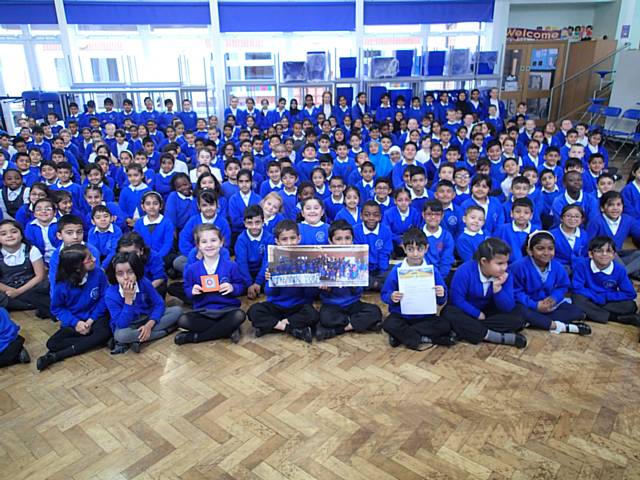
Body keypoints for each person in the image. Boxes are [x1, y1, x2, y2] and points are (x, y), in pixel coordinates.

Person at [442, 237, 528, 348]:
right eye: (499, 263)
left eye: (506, 263)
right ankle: (494, 336)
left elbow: (508, 307)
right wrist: (477, 314)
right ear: (483, 261)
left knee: (519, 315)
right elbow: (457, 300)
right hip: (466, 310)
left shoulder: (506, 274)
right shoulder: (465, 270)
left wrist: (498, 290)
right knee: (448, 312)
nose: (504, 267)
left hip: (488, 312)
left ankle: (464, 330)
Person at [37, 245, 111, 371]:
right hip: (75, 320)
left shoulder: (98, 273)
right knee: (52, 343)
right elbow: (57, 308)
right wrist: (76, 323)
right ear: (77, 267)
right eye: (89, 259)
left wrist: (91, 320)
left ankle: (56, 356)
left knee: (103, 332)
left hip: (96, 317)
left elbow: (105, 297)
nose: (94, 259)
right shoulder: (62, 285)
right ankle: (94, 340)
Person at [381, 227, 454, 350]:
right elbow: (384, 294)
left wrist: (441, 294)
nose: (415, 254)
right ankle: (425, 337)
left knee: (444, 325)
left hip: (425, 316)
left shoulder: (432, 270)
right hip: (402, 315)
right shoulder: (397, 270)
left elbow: (441, 301)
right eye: (410, 249)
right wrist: (392, 297)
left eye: (419, 249)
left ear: (426, 248)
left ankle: (404, 337)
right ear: (404, 248)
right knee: (388, 323)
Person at [247, 220, 319, 343]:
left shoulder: (307, 260)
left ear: (299, 238)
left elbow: (309, 295)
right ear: (277, 241)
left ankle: (272, 326)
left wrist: (311, 281)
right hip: (276, 306)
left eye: (293, 238)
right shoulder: (273, 261)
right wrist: (271, 280)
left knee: (313, 315)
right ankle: (291, 328)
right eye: (284, 239)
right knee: (253, 311)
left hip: (298, 306)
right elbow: (270, 293)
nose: (289, 243)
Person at [175, 224, 246, 345]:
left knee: (239, 315)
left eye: (213, 240)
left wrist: (232, 287)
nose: (209, 245)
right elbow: (187, 288)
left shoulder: (231, 266)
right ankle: (227, 330)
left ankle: (195, 337)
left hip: (227, 310)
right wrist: (192, 291)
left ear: (221, 242)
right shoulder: (192, 269)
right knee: (182, 320)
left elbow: (241, 286)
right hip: (203, 311)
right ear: (198, 246)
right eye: (204, 242)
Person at [511, 231, 591, 335]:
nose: (546, 253)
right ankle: (562, 327)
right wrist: (535, 305)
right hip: (527, 305)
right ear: (530, 251)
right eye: (540, 248)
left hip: (547, 306)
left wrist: (554, 298)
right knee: (520, 312)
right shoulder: (518, 267)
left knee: (577, 312)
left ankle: (535, 321)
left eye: (550, 248)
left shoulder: (557, 266)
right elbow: (515, 293)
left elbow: (563, 286)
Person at [314, 221, 382, 340]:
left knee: (375, 311)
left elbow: (358, 290)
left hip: (353, 303)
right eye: (338, 239)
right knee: (326, 318)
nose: (344, 242)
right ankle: (359, 324)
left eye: (347, 238)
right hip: (332, 305)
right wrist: (326, 288)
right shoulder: (324, 261)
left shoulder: (357, 259)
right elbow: (317, 291)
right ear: (330, 241)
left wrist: (356, 283)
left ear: (352, 240)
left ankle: (338, 330)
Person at [106, 252, 181, 354]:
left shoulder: (144, 282)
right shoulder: (110, 294)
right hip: (129, 324)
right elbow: (121, 324)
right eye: (120, 274)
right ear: (114, 275)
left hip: (147, 317)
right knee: (121, 335)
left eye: (130, 272)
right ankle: (163, 332)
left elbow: (159, 303)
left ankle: (135, 340)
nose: (126, 277)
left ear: (137, 271)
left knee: (177, 310)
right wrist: (128, 301)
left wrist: (149, 325)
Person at [572, 236, 640, 326]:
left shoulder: (619, 270)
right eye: (599, 251)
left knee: (630, 306)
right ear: (590, 254)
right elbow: (577, 287)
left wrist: (605, 297)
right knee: (577, 298)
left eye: (609, 251)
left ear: (614, 255)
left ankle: (590, 313)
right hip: (589, 297)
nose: (604, 254)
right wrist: (595, 297)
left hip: (607, 300)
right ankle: (616, 318)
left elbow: (630, 293)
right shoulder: (582, 265)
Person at [0, 220, 50, 318]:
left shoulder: (32, 250)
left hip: (30, 287)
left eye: (14, 232)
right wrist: (11, 291)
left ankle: (24, 303)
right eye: (3, 234)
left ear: (21, 235)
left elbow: (40, 276)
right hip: (7, 290)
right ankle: (32, 304)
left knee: (48, 285)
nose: (9, 235)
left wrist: (18, 292)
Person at [234, 205, 271, 300]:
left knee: (269, 289)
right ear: (245, 224)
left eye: (257, 222)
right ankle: (251, 288)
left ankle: (257, 287)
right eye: (250, 223)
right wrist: (249, 284)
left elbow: (267, 261)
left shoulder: (269, 237)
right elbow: (241, 263)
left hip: (262, 273)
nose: (254, 226)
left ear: (263, 221)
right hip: (245, 273)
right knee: (237, 289)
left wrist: (258, 281)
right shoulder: (241, 239)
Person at [133, 191, 175, 259]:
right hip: (144, 256)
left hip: (163, 255)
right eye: (148, 204)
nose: (152, 207)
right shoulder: (139, 223)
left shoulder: (167, 223)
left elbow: (168, 243)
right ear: (143, 207)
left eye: (155, 204)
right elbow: (136, 242)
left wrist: (158, 257)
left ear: (160, 206)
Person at [550, 204, 589, 274]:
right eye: (568, 216)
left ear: (582, 219)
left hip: (579, 269)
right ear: (561, 218)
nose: (572, 219)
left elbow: (585, 255)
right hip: (558, 269)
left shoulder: (584, 235)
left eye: (577, 216)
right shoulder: (552, 235)